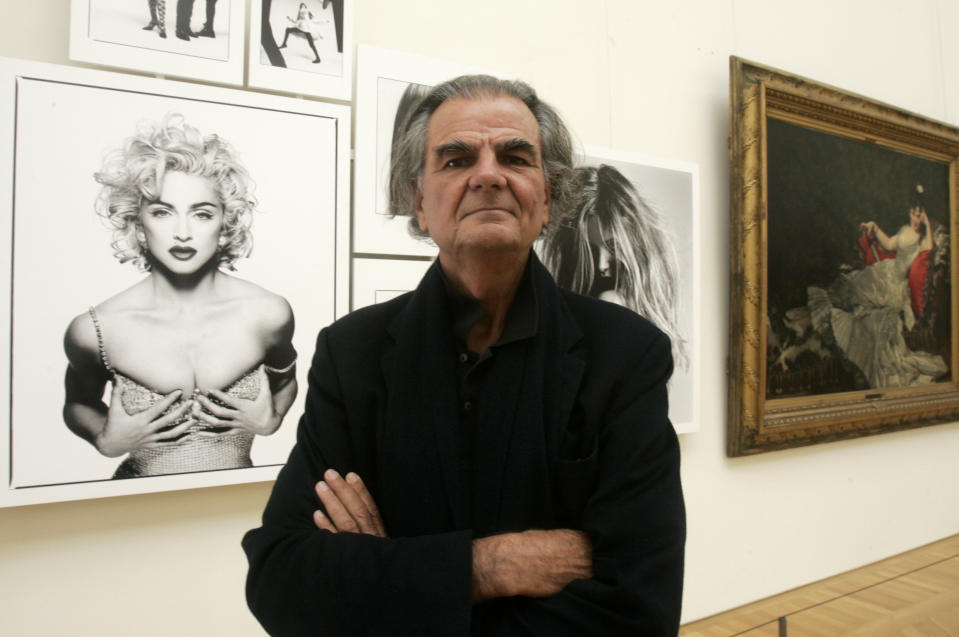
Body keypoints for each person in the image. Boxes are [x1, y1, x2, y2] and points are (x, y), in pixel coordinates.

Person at [243, 75, 685, 635]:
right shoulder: (351, 352)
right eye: (455, 160)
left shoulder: (625, 353)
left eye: (516, 157)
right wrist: (489, 567)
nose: (488, 175)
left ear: (547, 197)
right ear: (419, 202)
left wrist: (392, 585)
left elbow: (639, 612)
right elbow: (282, 580)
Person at [62, 114, 298, 479]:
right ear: (138, 224)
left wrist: (271, 420)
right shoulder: (95, 330)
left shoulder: (268, 314)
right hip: (131, 515)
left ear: (224, 224)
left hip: (238, 505)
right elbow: (77, 403)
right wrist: (103, 438)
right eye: (162, 212)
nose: (183, 233)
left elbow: (285, 382)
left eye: (202, 214)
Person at [538, 163, 688, 370]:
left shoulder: (611, 302)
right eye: (591, 250)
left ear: (635, 246)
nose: (601, 265)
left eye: (612, 247)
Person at [807, 185, 948, 388]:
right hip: (887, 270)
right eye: (914, 214)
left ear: (924, 216)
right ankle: (834, 315)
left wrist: (926, 223)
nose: (916, 219)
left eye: (919, 216)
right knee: (853, 285)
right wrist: (874, 226)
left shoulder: (922, 239)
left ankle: (844, 327)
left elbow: (929, 251)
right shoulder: (906, 229)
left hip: (895, 284)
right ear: (909, 212)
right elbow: (890, 244)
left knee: (863, 301)